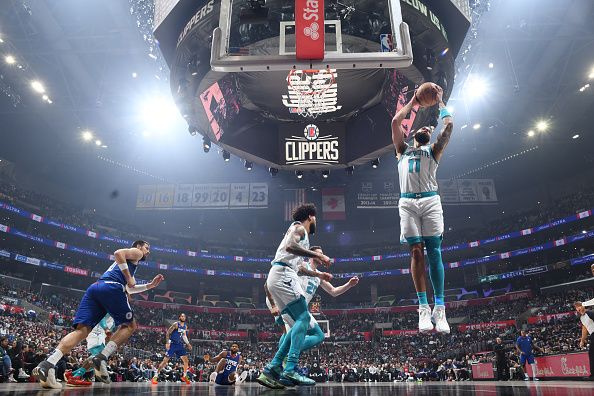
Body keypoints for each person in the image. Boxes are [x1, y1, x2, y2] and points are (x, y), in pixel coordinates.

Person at [33, 240, 164, 389]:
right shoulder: (137, 252)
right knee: (130, 325)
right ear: (139, 246)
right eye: (147, 248)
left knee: (81, 331)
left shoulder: (124, 265)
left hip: (96, 288)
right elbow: (118, 253)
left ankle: (48, 364)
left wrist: (150, 285)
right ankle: (101, 358)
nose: (148, 251)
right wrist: (129, 277)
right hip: (112, 288)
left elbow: (129, 289)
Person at [391, 84, 453, 333]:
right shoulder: (402, 151)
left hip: (430, 201)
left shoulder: (434, 150)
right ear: (415, 134)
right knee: (416, 252)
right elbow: (396, 121)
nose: (427, 128)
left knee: (434, 252)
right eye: (424, 127)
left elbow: (448, 127)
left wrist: (440, 101)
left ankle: (440, 308)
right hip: (407, 203)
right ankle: (423, 308)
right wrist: (415, 100)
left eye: (430, 128)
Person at [257, 203, 331, 389]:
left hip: (279, 275)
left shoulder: (298, 233)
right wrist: (317, 255)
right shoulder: (299, 228)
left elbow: (299, 267)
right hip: (283, 275)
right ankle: (289, 368)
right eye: (316, 218)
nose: (316, 222)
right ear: (311, 217)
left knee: (297, 324)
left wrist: (318, 275)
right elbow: (290, 247)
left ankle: (272, 369)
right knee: (304, 318)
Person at [64, 314, 116, 387]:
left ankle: (72, 374)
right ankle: (75, 377)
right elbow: (100, 317)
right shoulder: (111, 307)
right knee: (97, 359)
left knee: (94, 361)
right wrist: (106, 328)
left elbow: (110, 329)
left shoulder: (116, 317)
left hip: (101, 337)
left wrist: (108, 335)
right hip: (96, 334)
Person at [152, 313, 192, 384]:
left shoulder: (185, 326)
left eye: (184, 316)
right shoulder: (176, 324)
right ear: (179, 317)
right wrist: (167, 342)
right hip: (172, 344)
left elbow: (184, 336)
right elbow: (168, 333)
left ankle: (184, 376)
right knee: (165, 361)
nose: (183, 317)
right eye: (182, 316)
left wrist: (188, 344)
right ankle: (155, 376)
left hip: (179, 345)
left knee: (186, 361)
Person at [574, 302, 594, 380]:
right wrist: (582, 341)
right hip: (592, 335)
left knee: (592, 353)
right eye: (576, 307)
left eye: (579, 306)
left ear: (583, 306)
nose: (578, 308)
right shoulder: (581, 318)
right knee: (591, 353)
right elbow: (584, 329)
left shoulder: (590, 313)